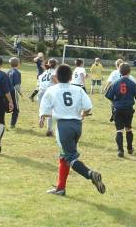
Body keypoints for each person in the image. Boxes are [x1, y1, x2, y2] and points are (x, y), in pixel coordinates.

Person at [39, 64, 106, 196]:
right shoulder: (78, 89)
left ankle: (90, 174)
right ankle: (60, 188)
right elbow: (88, 107)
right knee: (64, 157)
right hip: (77, 126)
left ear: (56, 77)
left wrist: (42, 118)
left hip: (63, 127)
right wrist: (82, 115)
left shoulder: (52, 90)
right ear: (71, 77)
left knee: (70, 157)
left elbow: (45, 111)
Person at [105, 63, 136, 158]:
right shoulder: (132, 83)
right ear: (129, 71)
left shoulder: (115, 83)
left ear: (119, 71)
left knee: (119, 130)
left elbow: (108, 96)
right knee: (128, 128)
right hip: (128, 109)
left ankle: (120, 150)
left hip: (117, 109)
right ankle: (129, 148)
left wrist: (114, 103)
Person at [38, 58, 59, 136]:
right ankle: (49, 130)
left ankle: (42, 117)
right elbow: (54, 79)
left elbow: (40, 82)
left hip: (40, 93)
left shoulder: (43, 73)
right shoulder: (54, 72)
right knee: (51, 112)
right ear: (56, 65)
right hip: (49, 93)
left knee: (43, 109)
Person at [7, 57, 22, 129]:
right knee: (16, 110)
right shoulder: (17, 73)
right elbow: (17, 85)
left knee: (6, 107)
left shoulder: (8, 71)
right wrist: (20, 93)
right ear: (18, 64)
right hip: (14, 92)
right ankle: (12, 124)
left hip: (6, 92)